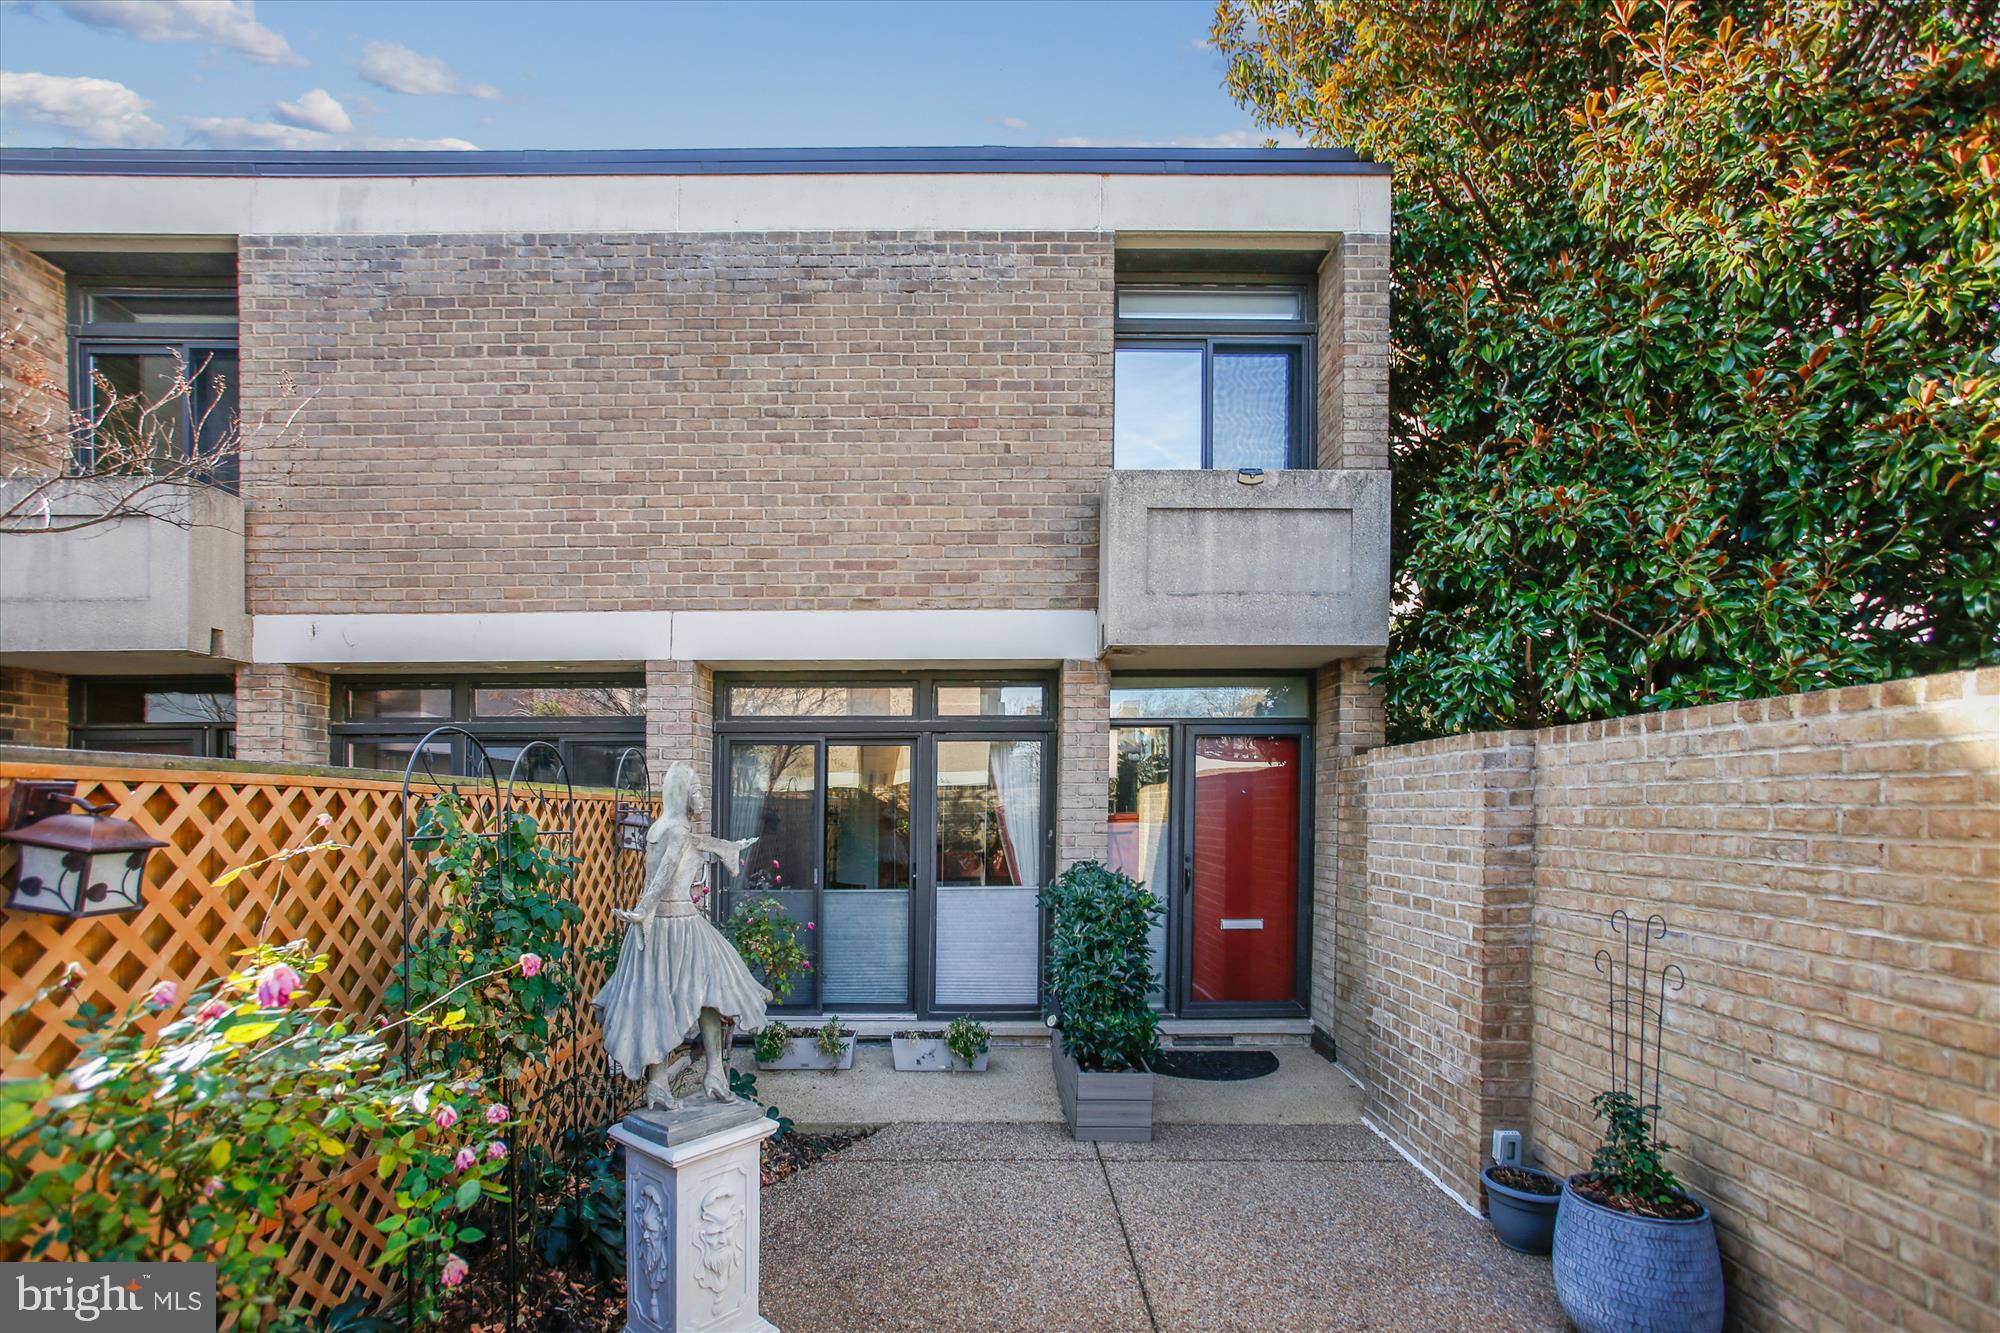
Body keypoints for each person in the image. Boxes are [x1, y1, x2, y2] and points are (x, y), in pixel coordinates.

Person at [594, 761, 769, 1107]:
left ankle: (709, 1074)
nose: (701, 798)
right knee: (683, 996)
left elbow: (695, 849)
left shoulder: (663, 828)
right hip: (677, 927)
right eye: (698, 791)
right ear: (683, 794)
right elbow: (662, 876)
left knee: (693, 995)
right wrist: (644, 908)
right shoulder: (676, 831)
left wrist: (729, 848)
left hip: (669, 925)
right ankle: (676, 1080)